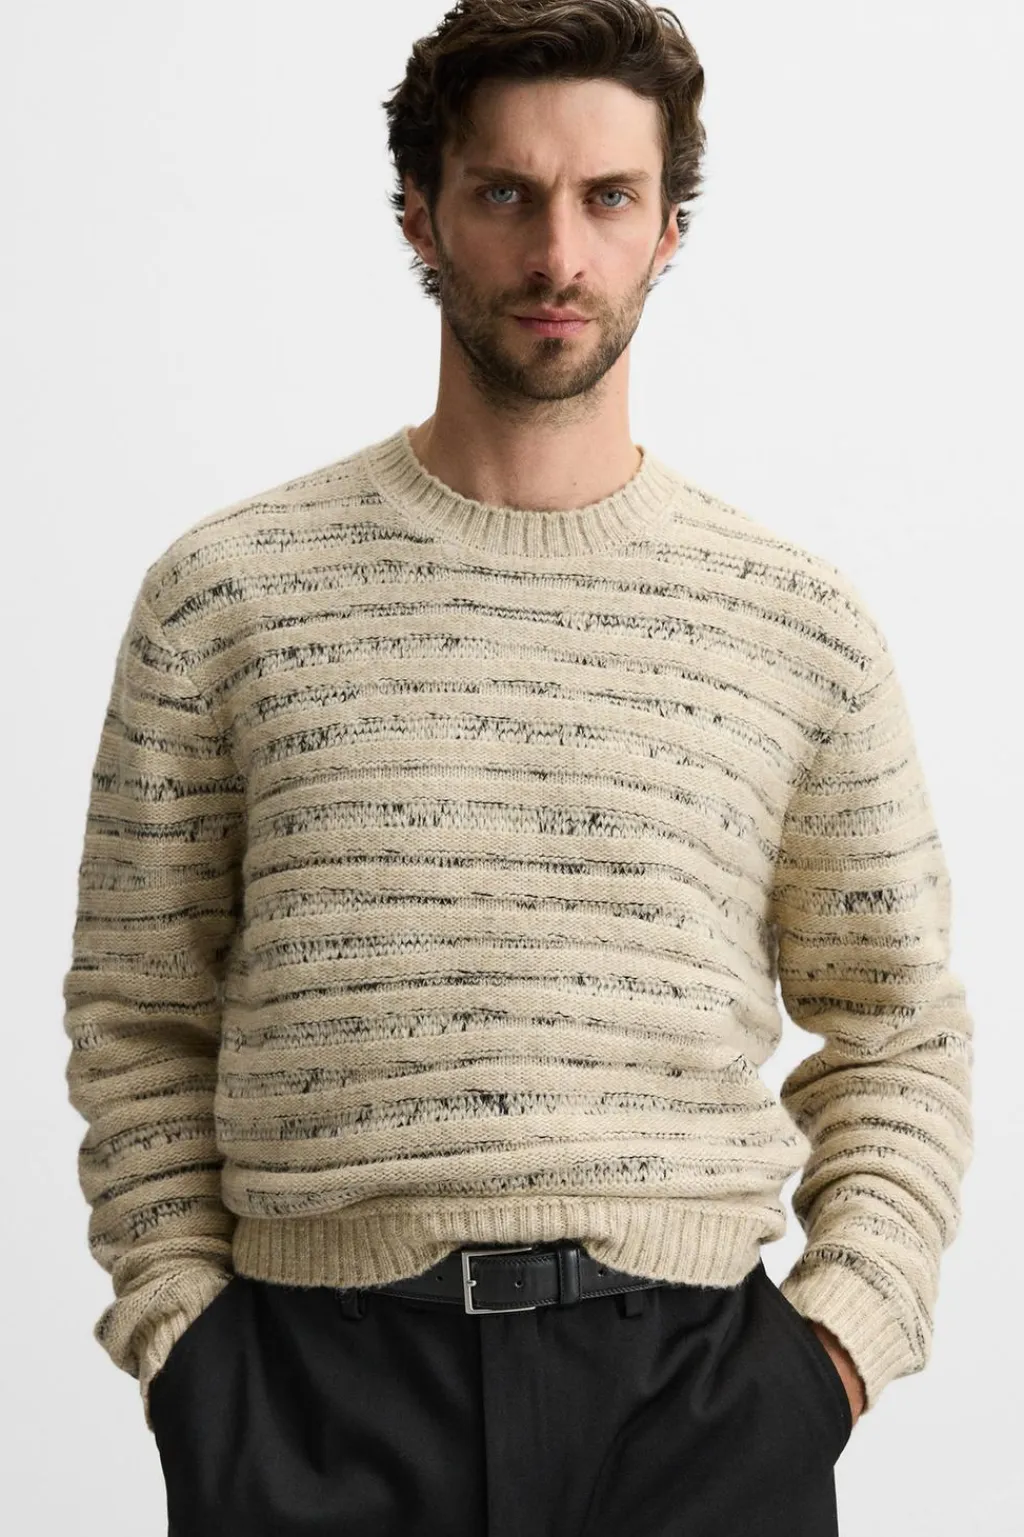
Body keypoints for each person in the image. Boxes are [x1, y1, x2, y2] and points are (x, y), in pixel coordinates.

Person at [61, 2, 974, 1534]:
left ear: (669, 228)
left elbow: (897, 1022)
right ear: (420, 214)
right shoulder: (228, 597)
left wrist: (835, 1354)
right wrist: (190, 1355)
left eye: (608, 197)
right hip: (314, 1402)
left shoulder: (793, 624)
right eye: (507, 193)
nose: (560, 253)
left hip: (699, 1408)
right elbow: (137, 1008)